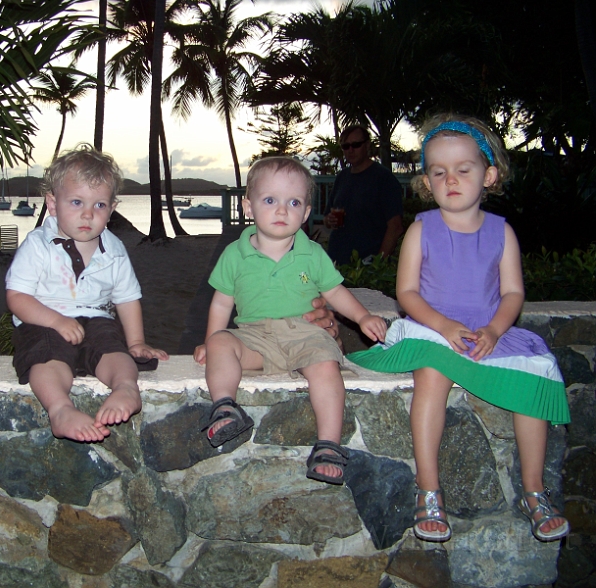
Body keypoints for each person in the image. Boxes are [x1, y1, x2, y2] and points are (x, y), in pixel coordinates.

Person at [348, 115, 570, 543]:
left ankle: (534, 490)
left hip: (486, 330)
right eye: (438, 172)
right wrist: (443, 325)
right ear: (426, 183)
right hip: (432, 328)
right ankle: (429, 488)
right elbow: (407, 293)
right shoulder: (421, 230)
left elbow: (513, 293)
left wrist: (495, 330)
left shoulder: (502, 233)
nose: (450, 179)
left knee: (532, 376)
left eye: (463, 170)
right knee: (432, 374)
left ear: (489, 176)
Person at [194, 156, 387, 484]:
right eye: (270, 200)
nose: (282, 210)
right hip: (255, 338)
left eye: (293, 202)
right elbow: (222, 303)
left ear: (306, 213)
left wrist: (362, 316)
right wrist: (211, 340)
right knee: (222, 343)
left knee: (326, 366)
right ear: (248, 207)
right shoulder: (234, 254)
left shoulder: (312, 254)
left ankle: (328, 444)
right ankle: (225, 406)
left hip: (305, 334)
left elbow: (335, 291)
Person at [5, 144, 168, 443]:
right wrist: (56, 321)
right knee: (46, 358)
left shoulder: (114, 249)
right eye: (77, 202)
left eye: (99, 205)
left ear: (112, 208)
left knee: (113, 349)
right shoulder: (38, 245)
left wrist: (136, 342)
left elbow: (127, 298)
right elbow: (17, 298)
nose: (88, 214)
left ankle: (126, 388)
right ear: (53, 204)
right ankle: (60, 409)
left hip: (96, 318)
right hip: (44, 320)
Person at [323, 125, 404, 265]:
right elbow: (326, 218)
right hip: (337, 263)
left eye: (356, 145)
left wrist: (378, 264)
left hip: (365, 265)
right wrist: (329, 220)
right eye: (345, 146)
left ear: (367, 145)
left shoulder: (383, 178)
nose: (350, 150)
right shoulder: (342, 177)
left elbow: (395, 227)